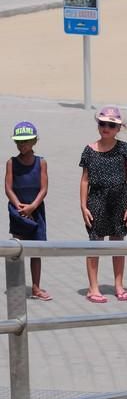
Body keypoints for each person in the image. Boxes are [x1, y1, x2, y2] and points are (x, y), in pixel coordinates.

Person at [79, 106, 127, 303]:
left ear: (118, 128)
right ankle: (93, 287)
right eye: (102, 123)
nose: (106, 127)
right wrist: (83, 206)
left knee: (117, 244)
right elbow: (85, 180)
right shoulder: (89, 150)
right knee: (95, 243)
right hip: (96, 200)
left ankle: (119, 285)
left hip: (119, 200)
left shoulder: (124, 149)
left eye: (111, 125)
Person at [5, 121, 51, 301]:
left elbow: (44, 188)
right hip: (18, 211)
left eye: (25, 141)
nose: (21, 145)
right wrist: (19, 206)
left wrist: (33, 206)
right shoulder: (11, 162)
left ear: (34, 141)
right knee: (17, 250)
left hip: (36, 210)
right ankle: (16, 285)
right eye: (18, 142)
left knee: (36, 250)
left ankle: (36, 287)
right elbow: (8, 188)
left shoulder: (41, 162)